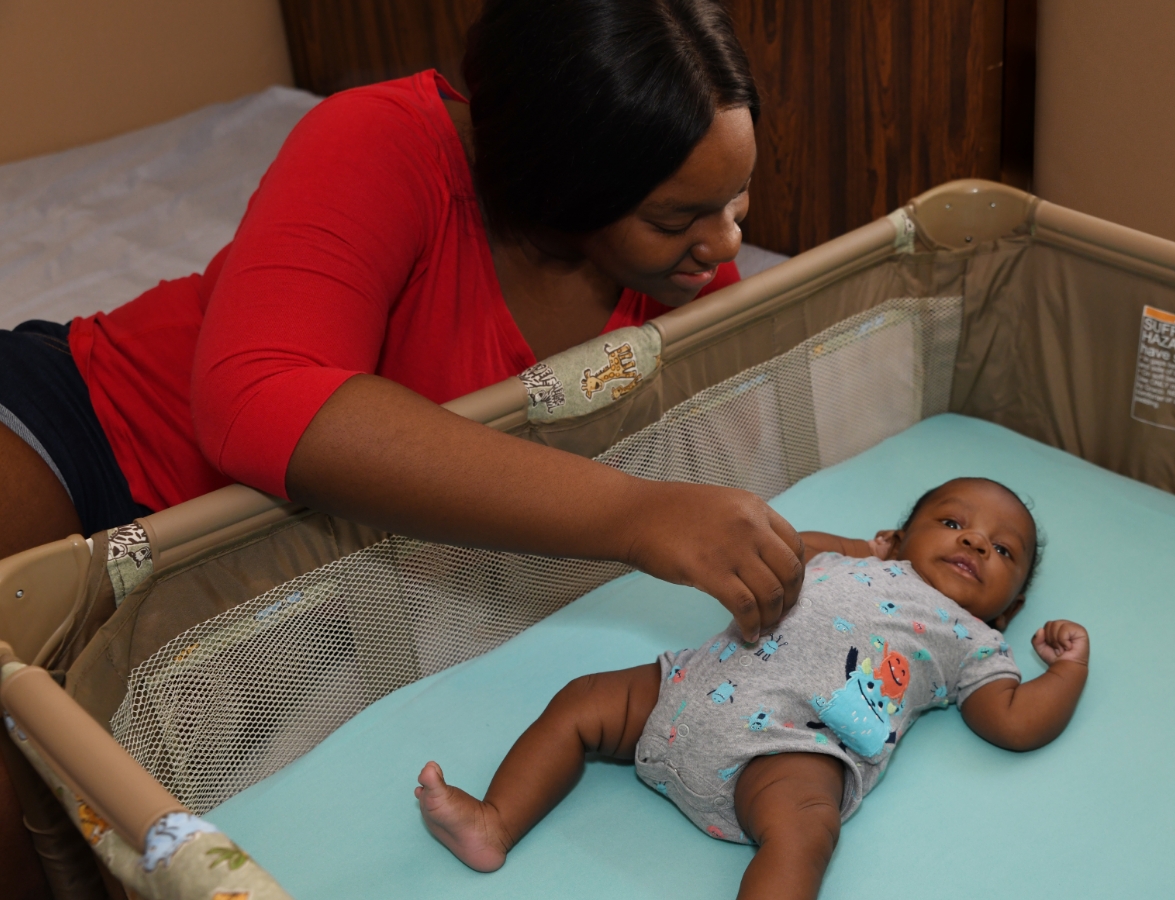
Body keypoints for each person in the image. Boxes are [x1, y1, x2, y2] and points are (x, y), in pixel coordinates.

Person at [0, 0, 806, 890]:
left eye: (737, 200)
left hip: (260, 575)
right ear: (561, 180)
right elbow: (254, 398)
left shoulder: (682, 269)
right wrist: (635, 512)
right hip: (97, 434)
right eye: (677, 217)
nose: (727, 243)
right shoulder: (382, 140)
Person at [415, 478, 1092, 900]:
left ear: (1010, 608)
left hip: (791, 751)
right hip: (682, 690)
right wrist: (858, 547)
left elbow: (1014, 722)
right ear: (893, 537)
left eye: (1004, 551)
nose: (976, 539)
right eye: (952, 522)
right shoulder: (846, 555)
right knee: (581, 700)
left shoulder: (974, 638)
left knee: (806, 830)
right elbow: (776, 546)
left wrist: (1065, 671)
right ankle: (495, 820)